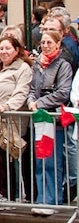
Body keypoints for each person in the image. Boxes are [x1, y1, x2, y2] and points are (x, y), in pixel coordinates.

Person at [0, 33, 33, 206]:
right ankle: (4, 195)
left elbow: (21, 93)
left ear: (17, 50)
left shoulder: (23, 68)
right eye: (1, 48)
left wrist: (7, 106)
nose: (3, 51)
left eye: (8, 48)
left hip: (9, 121)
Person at [28, 29, 73, 208]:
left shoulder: (63, 65)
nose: (46, 46)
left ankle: (52, 200)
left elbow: (63, 92)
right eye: (43, 43)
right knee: (41, 160)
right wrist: (31, 101)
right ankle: (42, 198)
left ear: (58, 44)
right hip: (39, 118)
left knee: (53, 161)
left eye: (49, 43)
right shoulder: (37, 64)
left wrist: (39, 103)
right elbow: (32, 88)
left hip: (53, 118)